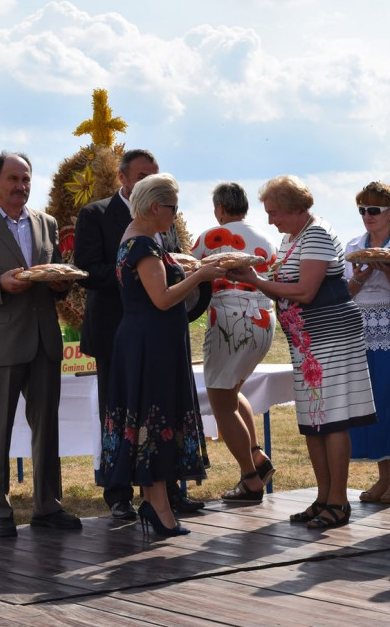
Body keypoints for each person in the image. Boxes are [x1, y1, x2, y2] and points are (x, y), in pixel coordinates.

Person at [228, 175, 376, 529]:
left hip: (332, 336)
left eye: (274, 212)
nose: (270, 220)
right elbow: (285, 282)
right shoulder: (292, 237)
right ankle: (323, 497)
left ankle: (338, 501)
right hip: (306, 342)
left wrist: (255, 280)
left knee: (333, 419)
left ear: (296, 209)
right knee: (313, 421)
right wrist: (253, 276)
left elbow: (306, 290)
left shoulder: (317, 233)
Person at [0, 152, 82, 538]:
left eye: (26, 179)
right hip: (1, 343)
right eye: (13, 179)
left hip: (44, 341)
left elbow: (53, 275)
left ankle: (47, 507)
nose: (21, 186)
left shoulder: (46, 223)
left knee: (47, 428)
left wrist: (62, 283)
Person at [73, 149, 210, 520]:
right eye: (141, 175)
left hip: (159, 331)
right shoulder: (99, 215)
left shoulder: (158, 225)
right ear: (123, 177)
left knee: (161, 411)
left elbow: (170, 261)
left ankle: (166, 491)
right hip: (120, 327)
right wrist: (138, 278)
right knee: (125, 413)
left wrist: (172, 270)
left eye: (153, 173)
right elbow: (88, 269)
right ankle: (119, 493)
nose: (148, 180)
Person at [99, 174, 222, 537]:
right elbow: (163, 298)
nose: (175, 215)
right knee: (154, 420)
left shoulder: (140, 239)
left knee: (153, 420)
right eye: (173, 208)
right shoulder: (141, 245)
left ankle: (157, 504)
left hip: (151, 342)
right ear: (156, 207)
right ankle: (159, 508)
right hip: (149, 346)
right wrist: (200, 276)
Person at [190, 182, 278, 503]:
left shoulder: (209, 237)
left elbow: (186, 270)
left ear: (220, 208)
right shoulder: (266, 239)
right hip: (264, 319)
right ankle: (255, 455)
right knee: (232, 392)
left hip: (229, 319)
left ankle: (250, 478)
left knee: (221, 404)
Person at [344, 182, 390, 504]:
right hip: (361, 329)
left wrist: (389, 271)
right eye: (362, 210)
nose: (367, 216)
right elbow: (345, 294)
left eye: (373, 210)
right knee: (371, 405)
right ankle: (383, 475)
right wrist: (360, 277)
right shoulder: (353, 246)